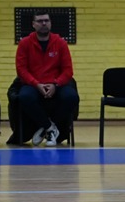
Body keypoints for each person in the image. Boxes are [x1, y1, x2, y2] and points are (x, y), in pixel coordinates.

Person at [15, 11, 78, 146]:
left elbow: (68, 71)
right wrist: (36, 84)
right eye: (40, 21)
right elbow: (21, 70)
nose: (43, 23)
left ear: (50, 23)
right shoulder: (24, 43)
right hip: (33, 85)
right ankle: (49, 128)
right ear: (33, 24)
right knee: (24, 97)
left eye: (46, 20)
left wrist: (56, 84)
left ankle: (45, 128)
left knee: (72, 97)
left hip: (55, 84)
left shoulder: (60, 43)